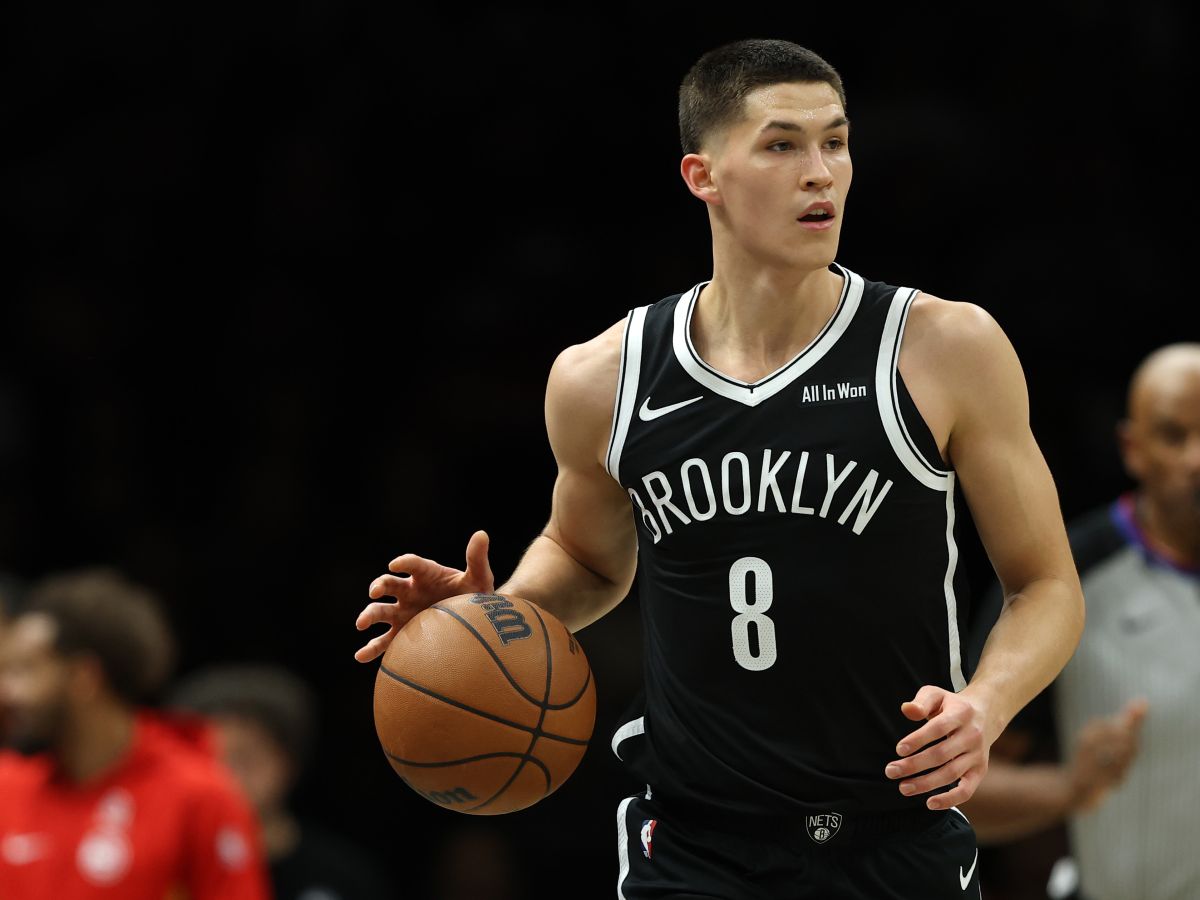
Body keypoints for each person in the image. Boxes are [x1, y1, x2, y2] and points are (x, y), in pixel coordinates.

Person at [355, 39, 1085, 898]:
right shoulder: (604, 377)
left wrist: (985, 705)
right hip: (695, 847)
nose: (820, 172)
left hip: (893, 834)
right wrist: (496, 618)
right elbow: (588, 559)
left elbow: (1047, 586)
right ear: (702, 176)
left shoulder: (941, 348)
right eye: (782, 144)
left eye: (836, 142)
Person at [962, 343, 1200, 900]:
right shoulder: (1059, 582)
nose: (1197, 459)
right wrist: (1069, 787)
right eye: (1173, 436)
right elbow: (962, 791)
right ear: (1133, 448)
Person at [0, 568, 271, 900]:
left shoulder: (198, 797)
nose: (7, 692)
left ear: (84, 676)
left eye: (26, 671)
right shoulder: (7, 788)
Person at [170, 663, 390, 900]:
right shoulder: (164, 872)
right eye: (206, 758)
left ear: (288, 764)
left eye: (245, 759)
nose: (224, 775)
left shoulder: (343, 876)